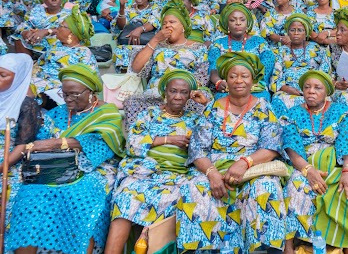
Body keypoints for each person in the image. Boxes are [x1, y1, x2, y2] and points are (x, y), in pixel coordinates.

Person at [6, 64, 125, 254]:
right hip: (53, 166)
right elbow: (39, 140)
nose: (68, 99)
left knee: (82, 199)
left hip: (93, 168)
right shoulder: (57, 112)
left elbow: (103, 143)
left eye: (75, 94)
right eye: (65, 93)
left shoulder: (106, 112)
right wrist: (49, 145)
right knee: (31, 196)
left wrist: (57, 143)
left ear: (90, 91)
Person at [176, 52, 286, 252]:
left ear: (253, 80)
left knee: (266, 187)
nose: (239, 80)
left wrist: (244, 162)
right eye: (233, 76)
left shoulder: (264, 108)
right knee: (194, 188)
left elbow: (271, 147)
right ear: (226, 80)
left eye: (244, 76)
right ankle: (204, 248)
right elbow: (198, 149)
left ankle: (262, 249)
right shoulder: (212, 109)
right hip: (214, 169)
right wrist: (212, 174)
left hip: (252, 169)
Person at [105, 70, 206, 254]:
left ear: (190, 96)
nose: (177, 96)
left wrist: (206, 104)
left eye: (184, 92)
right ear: (164, 92)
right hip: (144, 172)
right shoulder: (149, 114)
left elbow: (209, 140)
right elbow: (133, 144)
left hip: (178, 175)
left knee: (184, 198)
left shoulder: (196, 119)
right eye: (173, 91)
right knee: (126, 195)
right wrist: (168, 139)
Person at [281, 70, 348, 254]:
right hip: (303, 164)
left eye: (317, 87)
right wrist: (308, 171)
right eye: (307, 87)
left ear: (327, 91)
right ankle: (289, 247)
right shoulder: (293, 113)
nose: (311, 91)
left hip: (338, 164)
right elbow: (291, 147)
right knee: (295, 186)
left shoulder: (340, 111)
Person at [0, 53, 41, 227]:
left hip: (10, 159)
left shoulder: (26, 105)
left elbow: (23, 146)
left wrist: (3, 166)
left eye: (3, 75)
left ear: (18, 79)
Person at [270, 13, 331, 109]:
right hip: (289, 91)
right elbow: (276, 76)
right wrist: (289, 89)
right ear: (288, 33)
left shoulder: (316, 48)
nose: (296, 33)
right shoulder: (281, 51)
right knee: (278, 100)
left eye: (300, 30)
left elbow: (325, 69)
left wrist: (313, 88)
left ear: (306, 33)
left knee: (326, 101)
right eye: (292, 30)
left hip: (314, 89)